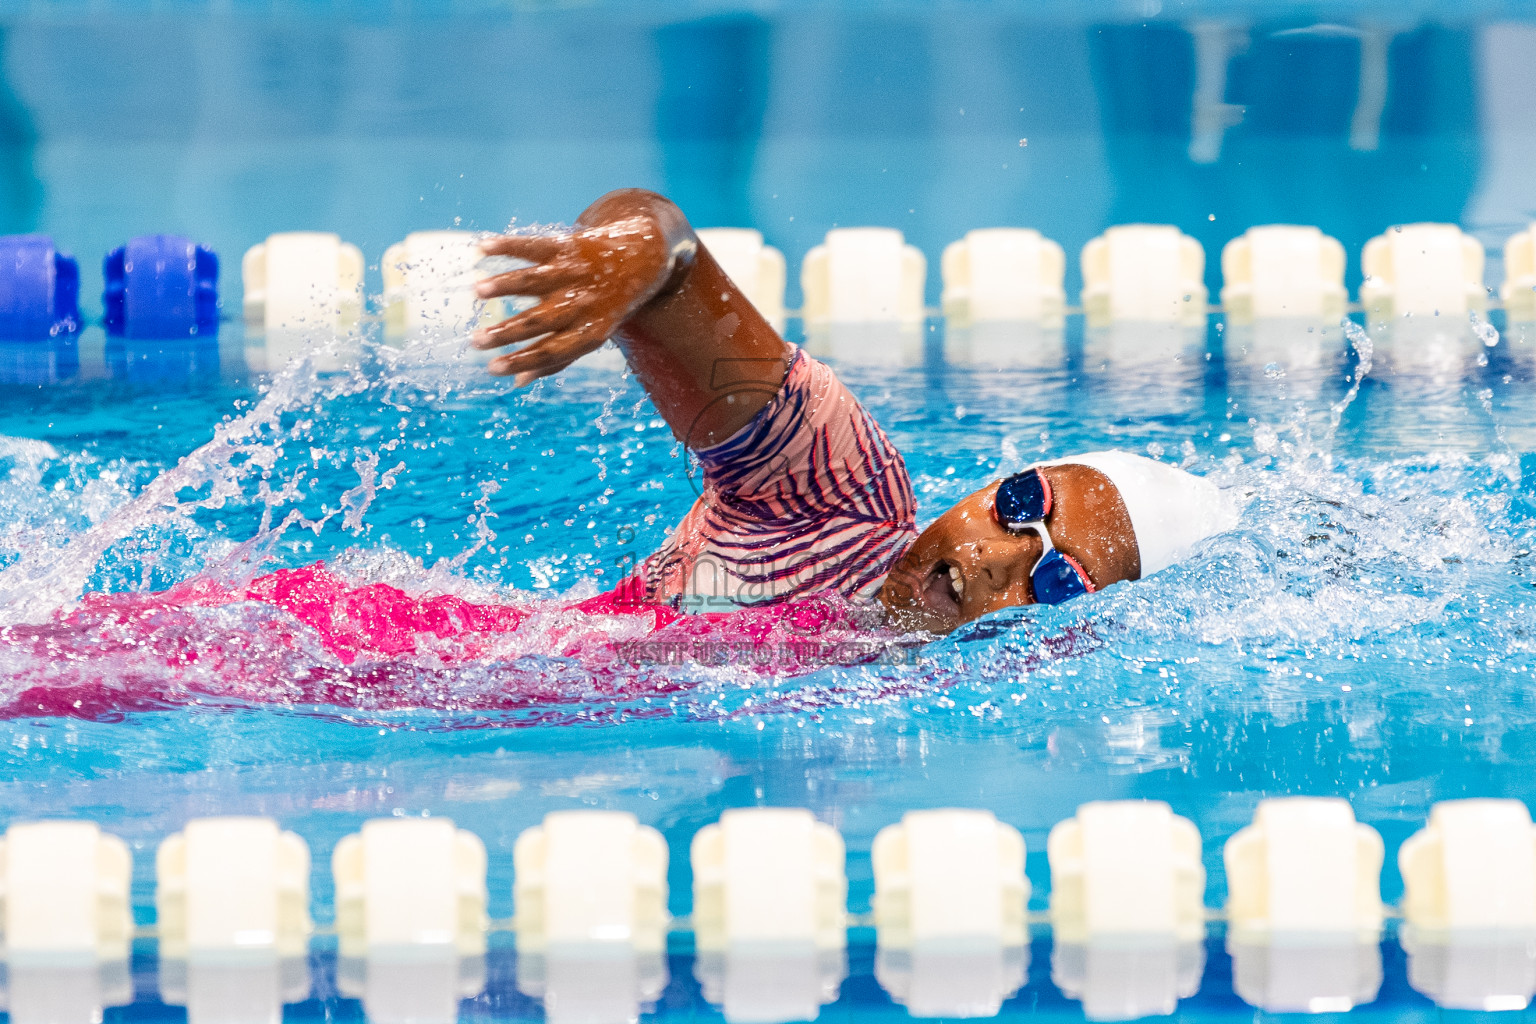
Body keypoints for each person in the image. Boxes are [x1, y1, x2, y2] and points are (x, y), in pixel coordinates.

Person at [474, 189, 1236, 634]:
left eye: (1059, 580)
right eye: (1021, 504)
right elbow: (671, 250)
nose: (995, 556)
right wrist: (635, 256)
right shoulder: (843, 496)